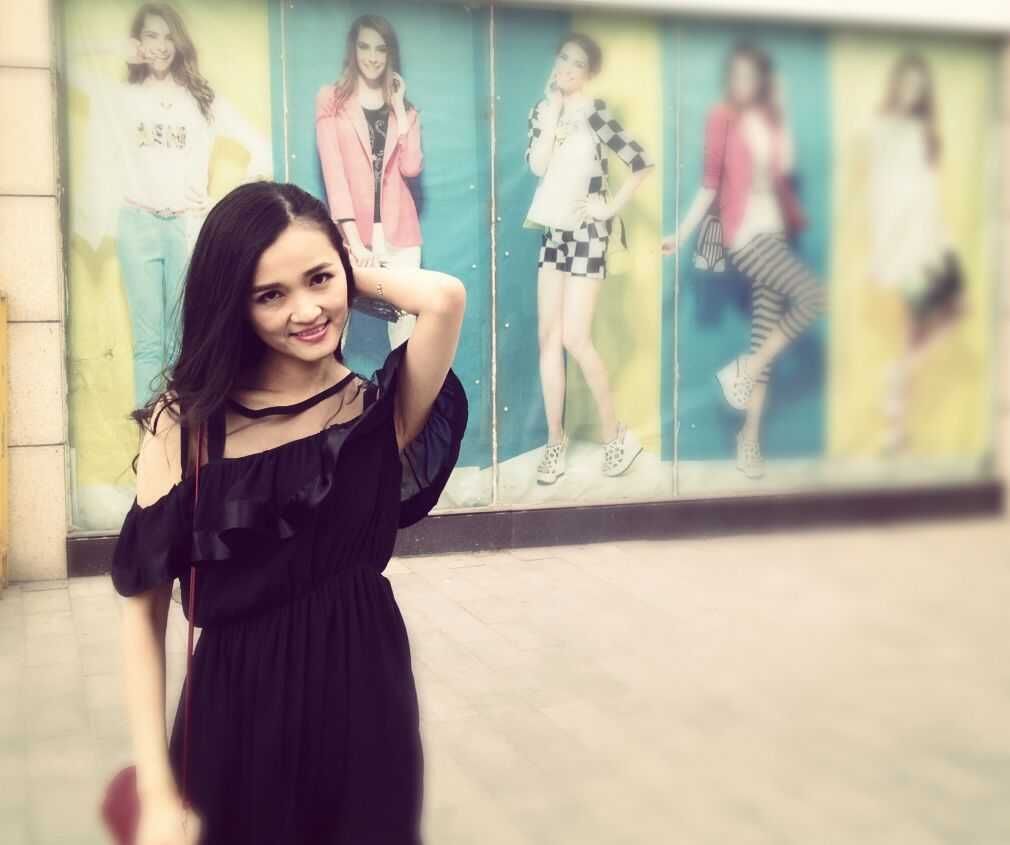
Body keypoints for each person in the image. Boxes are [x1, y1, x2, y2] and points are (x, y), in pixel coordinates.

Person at [110, 181, 467, 844]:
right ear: (233, 303)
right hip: (235, 713)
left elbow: (443, 298)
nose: (306, 311)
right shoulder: (185, 425)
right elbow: (143, 614)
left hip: (367, 707)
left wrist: (343, 268)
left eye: (318, 279)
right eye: (269, 294)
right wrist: (156, 792)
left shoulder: (376, 410)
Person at [69, 2, 272, 409]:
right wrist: (119, 49)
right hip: (137, 223)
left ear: (179, 43)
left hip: (185, 226)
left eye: (167, 36)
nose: (160, 46)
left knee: (184, 338)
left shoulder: (200, 100)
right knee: (148, 344)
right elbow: (71, 65)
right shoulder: (122, 97)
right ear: (139, 43)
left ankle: (182, 433)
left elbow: (259, 149)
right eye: (150, 36)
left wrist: (218, 202)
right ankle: (150, 436)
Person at [662, 41, 825, 479]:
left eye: (751, 76)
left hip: (774, 232)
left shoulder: (768, 120)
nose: (743, 83)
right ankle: (741, 371)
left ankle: (748, 440)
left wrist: (781, 108)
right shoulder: (722, 118)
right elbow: (709, 183)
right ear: (729, 79)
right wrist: (681, 233)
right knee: (814, 296)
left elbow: (785, 165)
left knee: (763, 335)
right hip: (744, 235)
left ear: (762, 80)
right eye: (736, 76)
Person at [524, 33, 654, 485]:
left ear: (589, 73)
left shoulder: (595, 113)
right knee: (548, 337)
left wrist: (608, 207)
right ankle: (554, 443)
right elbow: (538, 166)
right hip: (553, 232)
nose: (567, 67)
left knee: (575, 337)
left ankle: (615, 435)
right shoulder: (542, 112)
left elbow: (641, 161)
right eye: (563, 58)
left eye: (578, 63)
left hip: (587, 234)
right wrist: (551, 114)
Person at [862, 53, 964, 454]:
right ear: (896, 85)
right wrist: (882, 254)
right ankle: (895, 429)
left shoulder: (923, 131)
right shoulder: (884, 129)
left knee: (951, 315)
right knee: (912, 330)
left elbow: (929, 194)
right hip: (907, 249)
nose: (911, 92)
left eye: (919, 87)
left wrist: (945, 243)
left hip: (931, 243)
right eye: (906, 84)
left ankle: (896, 389)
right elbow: (880, 196)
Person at [316, 14, 424, 351]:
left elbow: (411, 168)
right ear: (354, 49)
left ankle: (405, 389)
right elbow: (334, 175)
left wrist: (400, 112)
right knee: (334, 328)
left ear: (390, 53)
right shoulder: (331, 100)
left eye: (381, 48)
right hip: (353, 234)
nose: (372, 56)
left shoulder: (407, 111)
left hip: (401, 234)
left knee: (405, 333)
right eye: (365, 47)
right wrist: (354, 243)